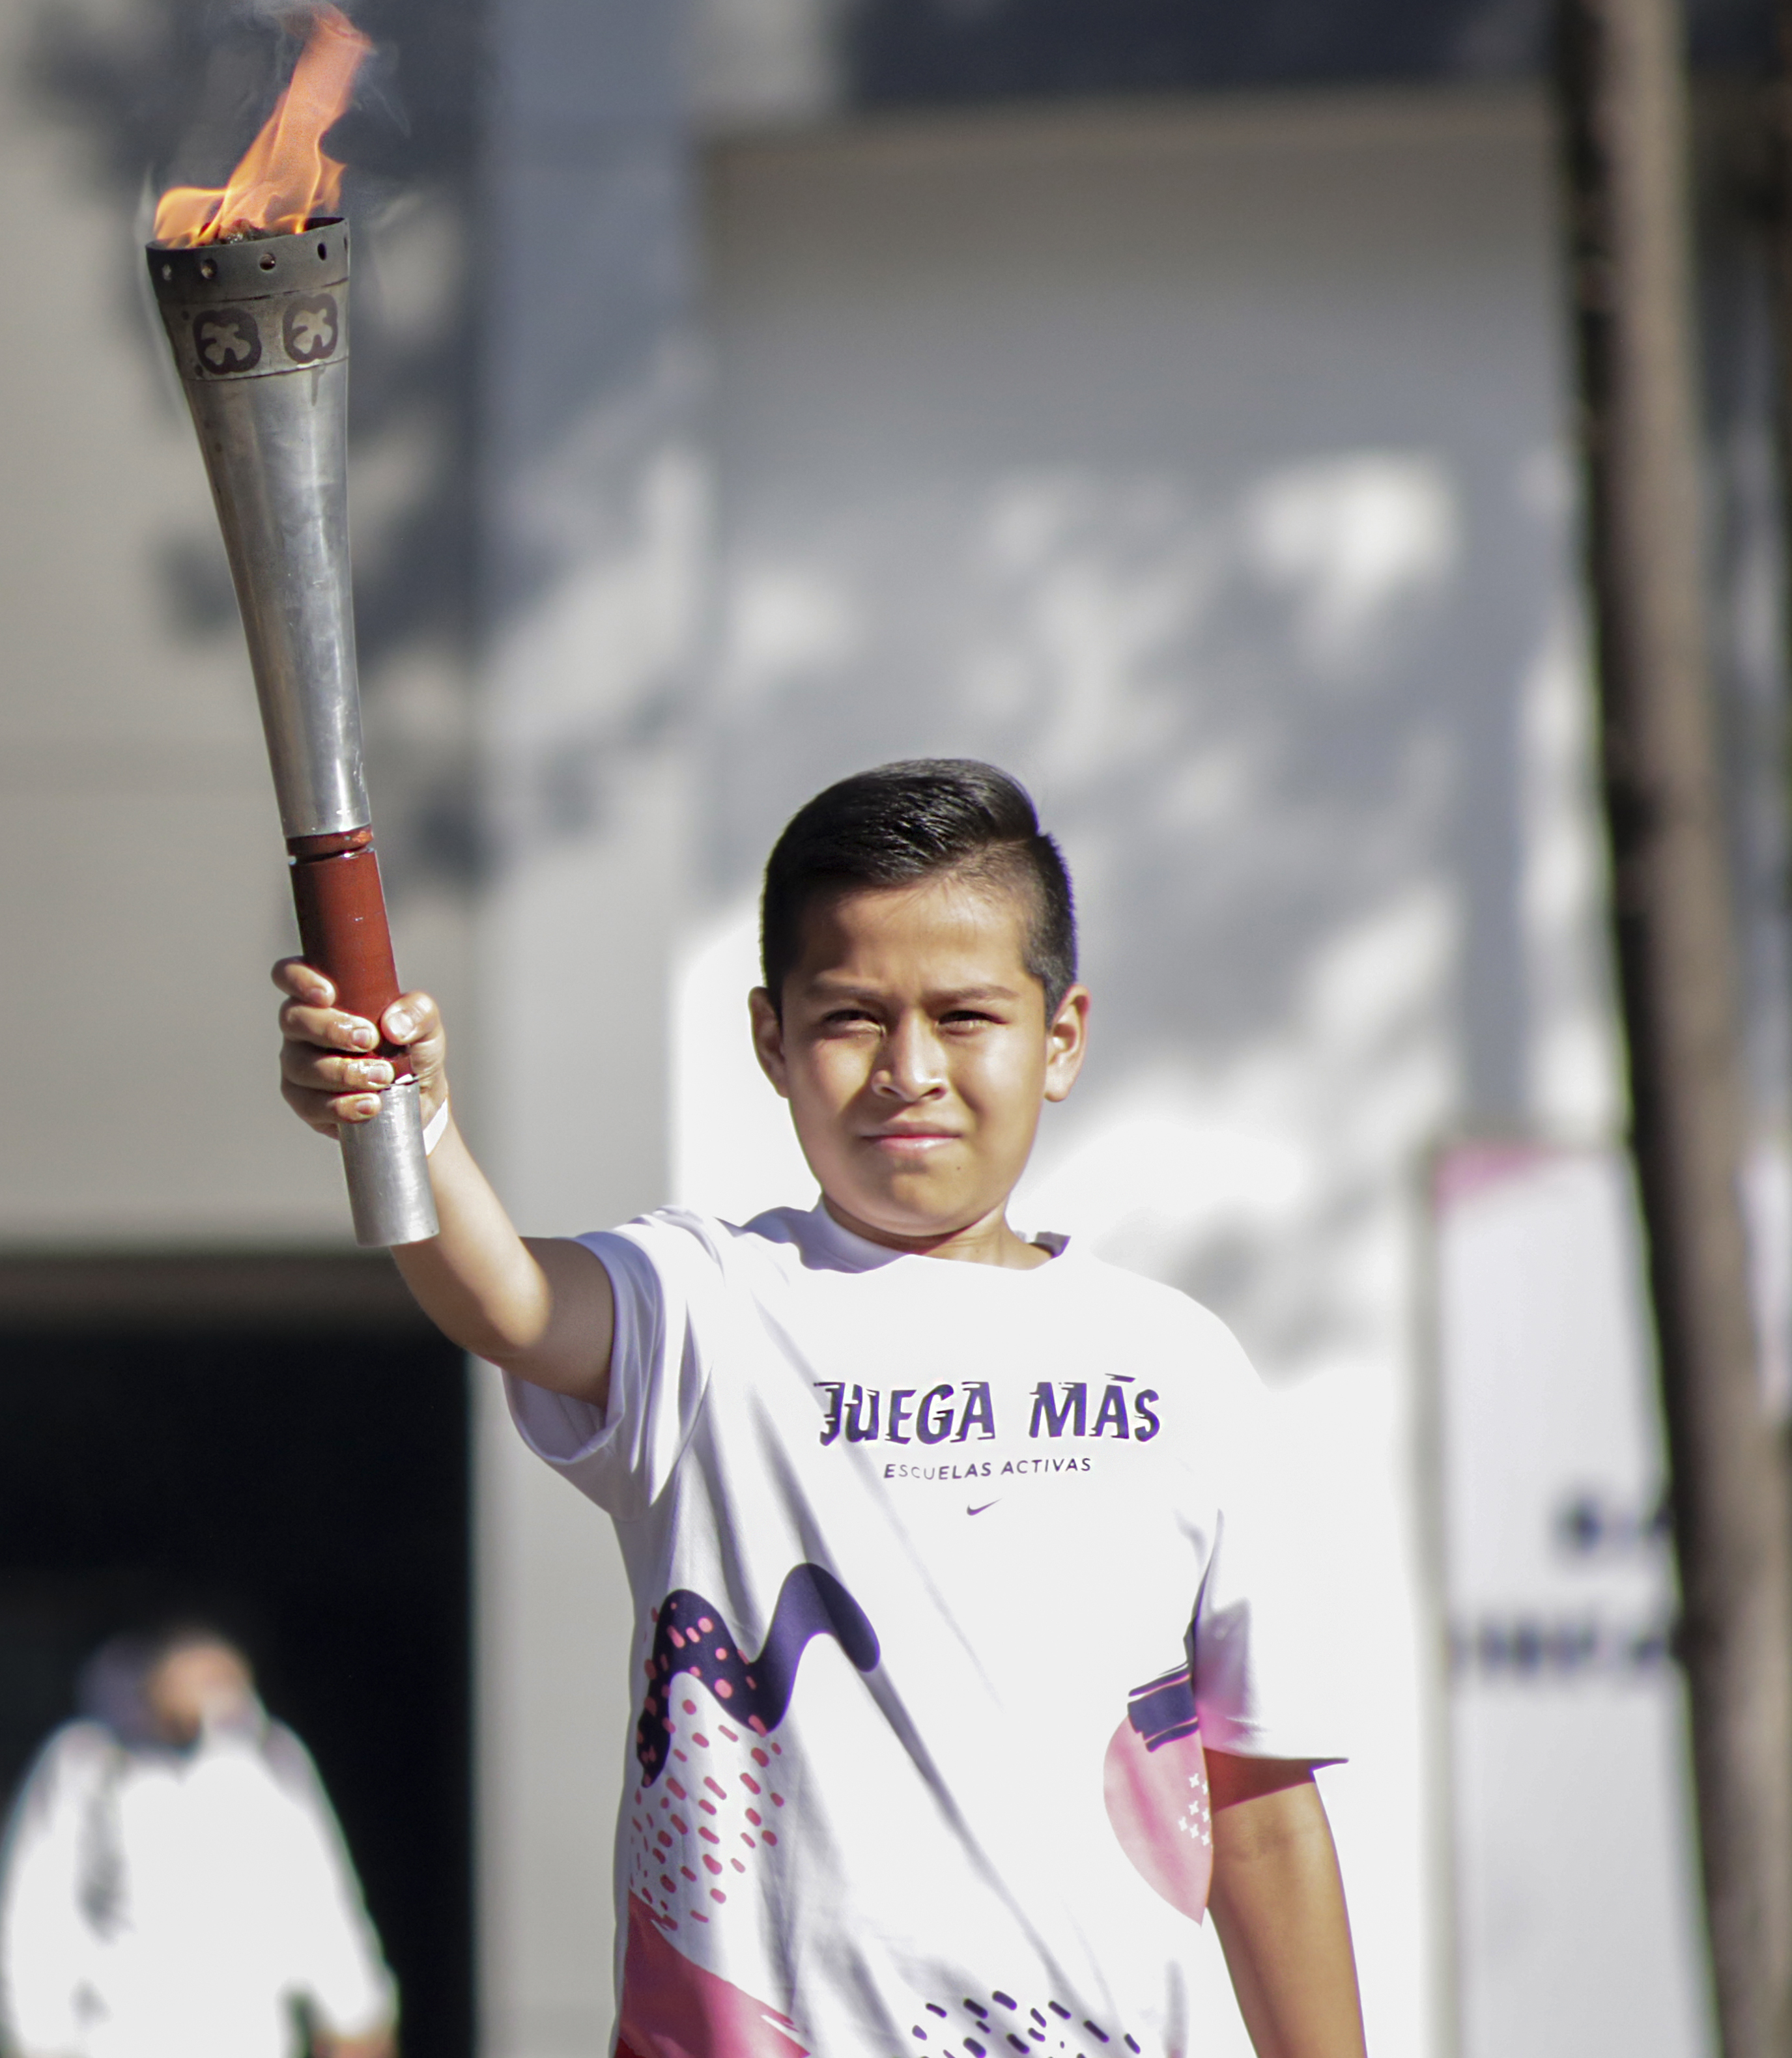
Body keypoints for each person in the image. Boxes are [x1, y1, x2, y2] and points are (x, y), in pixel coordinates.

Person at [275, 759, 1362, 2058]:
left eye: (966, 1018)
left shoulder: (1175, 1367)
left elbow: (1260, 1803)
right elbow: (505, 1297)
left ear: (1060, 1036)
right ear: (772, 1039)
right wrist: (405, 1113)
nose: (910, 1070)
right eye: (852, 1019)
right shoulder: (709, 1310)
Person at [0, 1625, 396, 2058]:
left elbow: (318, 1894)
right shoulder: (85, 1760)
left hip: (251, 2039)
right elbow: (35, 1906)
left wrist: (355, 2013)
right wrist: (34, 2039)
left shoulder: (271, 1758)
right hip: (118, 2039)